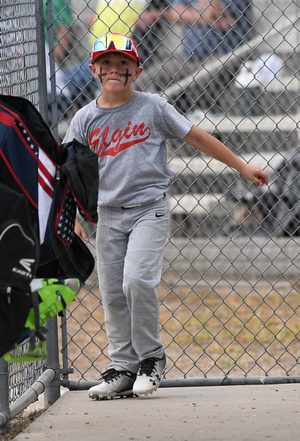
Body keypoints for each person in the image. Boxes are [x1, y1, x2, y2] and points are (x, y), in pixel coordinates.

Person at [62, 33, 268, 400]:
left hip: (148, 209)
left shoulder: (153, 107)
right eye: (106, 63)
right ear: (93, 70)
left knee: (137, 282)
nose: (115, 69)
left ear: (137, 70)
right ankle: (122, 368)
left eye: (123, 63)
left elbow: (197, 137)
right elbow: (70, 172)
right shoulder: (84, 119)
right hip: (106, 216)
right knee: (112, 293)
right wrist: (73, 215)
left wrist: (240, 166)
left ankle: (151, 359)